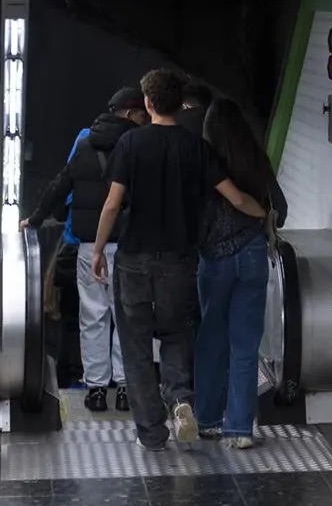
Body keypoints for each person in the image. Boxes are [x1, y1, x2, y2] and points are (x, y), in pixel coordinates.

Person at [94, 69, 267, 451]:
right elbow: (235, 197)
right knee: (175, 335)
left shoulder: (130, 144)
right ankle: (182, 402)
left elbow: (112, 204)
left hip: (134, 259)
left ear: (149, 103)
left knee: (136, 344)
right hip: (179, 260)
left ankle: (152, 433)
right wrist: (261, 215)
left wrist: (96, 249)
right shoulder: (196, 147)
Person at [22, 85, 147, 412]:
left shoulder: (84, 143)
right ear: (132, 113)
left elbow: (60, 185)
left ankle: (95, 389)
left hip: (89, 245)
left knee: (93, 316)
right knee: (127, 317)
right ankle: (124, 388)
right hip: (129, 246)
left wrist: (35, 219)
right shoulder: (137, 145)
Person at [196, 98, 287, 450]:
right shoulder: (257, 161)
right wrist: (263, 220)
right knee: (246, 345)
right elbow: (282, 209)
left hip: (214, 260)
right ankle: (240, 429)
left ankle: (207, 420)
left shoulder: (205, 161)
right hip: (252, 257)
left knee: (211, 341)